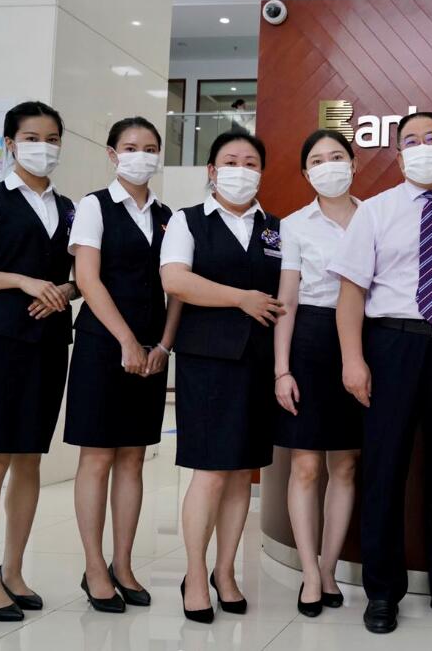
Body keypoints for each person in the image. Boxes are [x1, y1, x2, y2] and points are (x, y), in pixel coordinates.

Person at [329, 111, 432, 635]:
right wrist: (353, 360)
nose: (423, 147)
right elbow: (350, 293)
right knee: (384, 471)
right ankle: (382, 593)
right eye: (412, 141)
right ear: (399, 157)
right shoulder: (374, 212)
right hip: (391, 346)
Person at [160, 131, 283, 624]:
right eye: (230, 161)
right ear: (212, 170)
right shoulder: (187, 220)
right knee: (210, 471)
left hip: (257, 361)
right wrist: (240, 299)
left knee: (240, 474)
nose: (240, 170)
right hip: (207, 361)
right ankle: (194, 574)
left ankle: (225, 571)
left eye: (250, 162)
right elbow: (175, 280)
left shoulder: (275, 229)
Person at [65, 117, 181, 613]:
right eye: (130, 147)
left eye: (150, 147)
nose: (141, 155)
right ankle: (94, 567)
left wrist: (163, 345)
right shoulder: (94, 206)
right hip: (101, 345)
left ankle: (124, 564)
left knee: (134, 457)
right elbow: (87, 279)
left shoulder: (168, 216)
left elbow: (176, 286)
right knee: (97, 457)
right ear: (112, 154)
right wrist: (126, 341)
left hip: (152, 348)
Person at [0, 101, 77, 623]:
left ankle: (13, 570)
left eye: (53, 138)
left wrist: (64, 290)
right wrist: (21, 280)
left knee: (30, 457)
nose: (44, 147)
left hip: (50, 339)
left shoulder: (71, 207)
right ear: (11, 144)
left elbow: (82, 275)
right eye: (33, 138)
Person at [273, 130, 363, 617]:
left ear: (353, 163)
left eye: (337, 157)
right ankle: (309, 571)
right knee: (306, 465)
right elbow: (286, 300)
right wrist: (281, 369)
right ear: (306, 173)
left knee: (345, 465)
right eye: (318, 160)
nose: (329, 166)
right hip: (309, 339)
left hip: (362, 340)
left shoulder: (374, 216)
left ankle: (329, 568)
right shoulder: (294, 225)